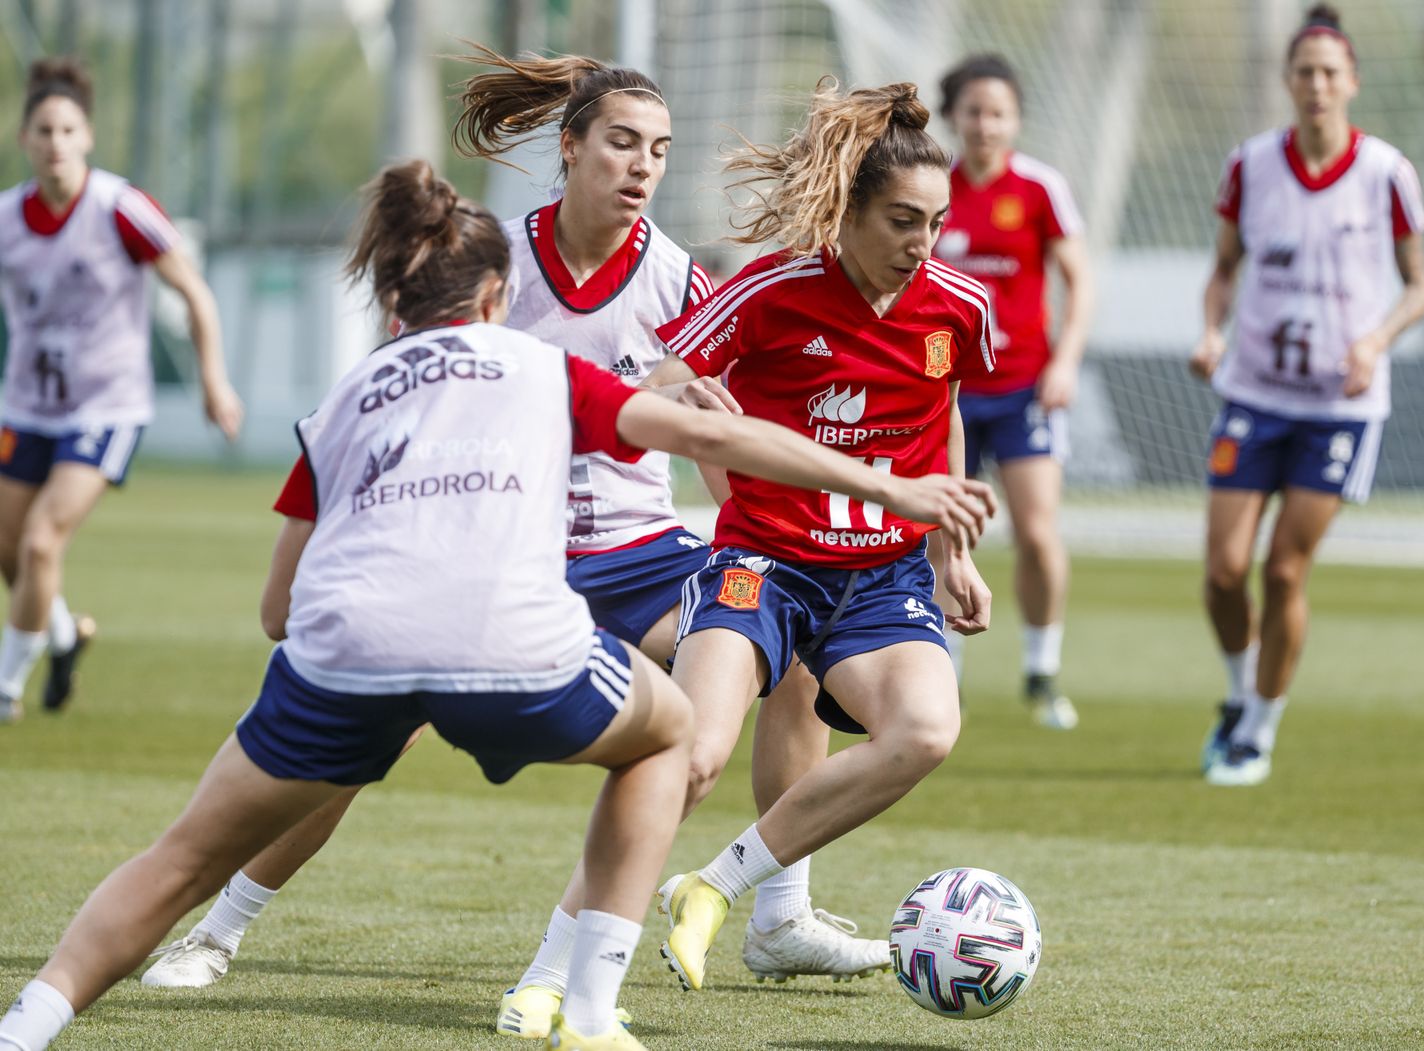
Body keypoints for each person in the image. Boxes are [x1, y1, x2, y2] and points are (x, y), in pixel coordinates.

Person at [0, 159, 990, 1051]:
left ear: (392, 300)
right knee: (670, 734)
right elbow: (725, 440)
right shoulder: (542, 363)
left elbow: (276, 606)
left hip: (359, 645)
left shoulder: (347, 397)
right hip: (514, 634)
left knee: (180, 852)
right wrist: (893, 490)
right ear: (495, 292)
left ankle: (31, 1021)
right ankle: (590, 1009)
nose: (641, 162)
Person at [139, 47, 896, 1031]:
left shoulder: (678, 282)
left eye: (659, 151)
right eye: (621, 143)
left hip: (639, 552)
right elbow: (392, 405)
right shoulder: (489, 264)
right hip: (493, 552)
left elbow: (720, 437)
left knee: (771, 646)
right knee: (373, 728)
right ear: (570, 146)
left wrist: (766, 542)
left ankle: (777, 911)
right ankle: (218, 928)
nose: (641, 167)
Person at [640, 78, 999, 993]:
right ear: (846, 212)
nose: (922, 246)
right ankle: (564, 962)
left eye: (936, 222)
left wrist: (950, 549)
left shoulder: (956, 306)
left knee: (924, 730)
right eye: (901, 221)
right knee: (695, 750)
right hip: (765, 561)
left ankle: (715, 889)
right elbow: (666, 381)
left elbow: (943, 410)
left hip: (881, 576)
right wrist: (693, 411)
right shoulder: (770, 287)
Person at [1191, 4, 1424, 787]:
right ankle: (1237, 692)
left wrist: (1374, 341)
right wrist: (1211, 330)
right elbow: (1224, 267)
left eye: (1331, 72)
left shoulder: (1386, 172)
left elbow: (1420, 286)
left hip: (1339, 405)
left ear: (1352, 81)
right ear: (1288, 82)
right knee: (1225, 570)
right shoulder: (1251, 165)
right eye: (1305, 72)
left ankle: (1258, 731)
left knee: (1285, 572)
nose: (1318, 85)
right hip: (1255, 393)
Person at [0, 57, 243, 724]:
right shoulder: (7, 220)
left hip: (105, 406)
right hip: (26, 404)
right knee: (11, 551)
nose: (55, 142)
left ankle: (5, 690)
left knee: (43, 542)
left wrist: (212, 380)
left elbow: (193, 291)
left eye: (67, 129)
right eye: (43, 130)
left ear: (87, 136)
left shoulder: (118, 207)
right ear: (25, 139)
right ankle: (61, 634)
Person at [933, 54, 1095, 730]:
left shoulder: (1039, 188)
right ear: (954, 117)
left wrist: (1066, 362)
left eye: (998, 111)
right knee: (942, 532)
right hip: (946, 391)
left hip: (1025, 385)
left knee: (1035, 531)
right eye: (973, 111)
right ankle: (944, 673)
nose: (985, 124)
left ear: (1016, 119)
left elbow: (1079, 281)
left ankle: (1040, 668)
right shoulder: (929, 185)